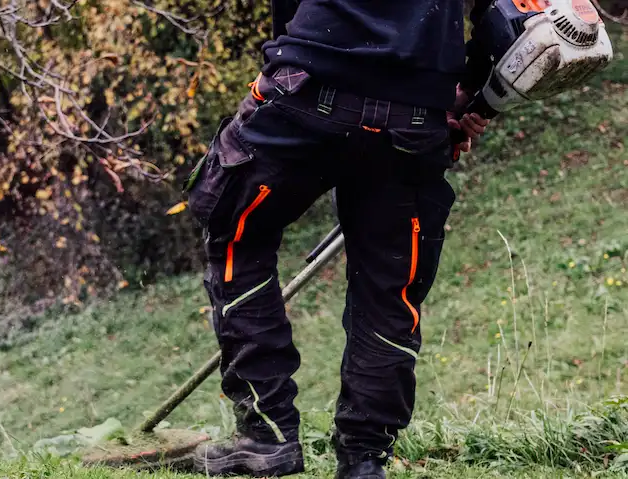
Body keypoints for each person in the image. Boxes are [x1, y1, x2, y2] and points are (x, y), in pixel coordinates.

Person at [184, 1, 492, 477]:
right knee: (389, 288)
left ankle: (267, 434)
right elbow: (525, 17)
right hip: (413, 117)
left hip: (309, 92)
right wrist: (468, 95)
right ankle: (365, 460)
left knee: (236, 234)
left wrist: (284, 61)